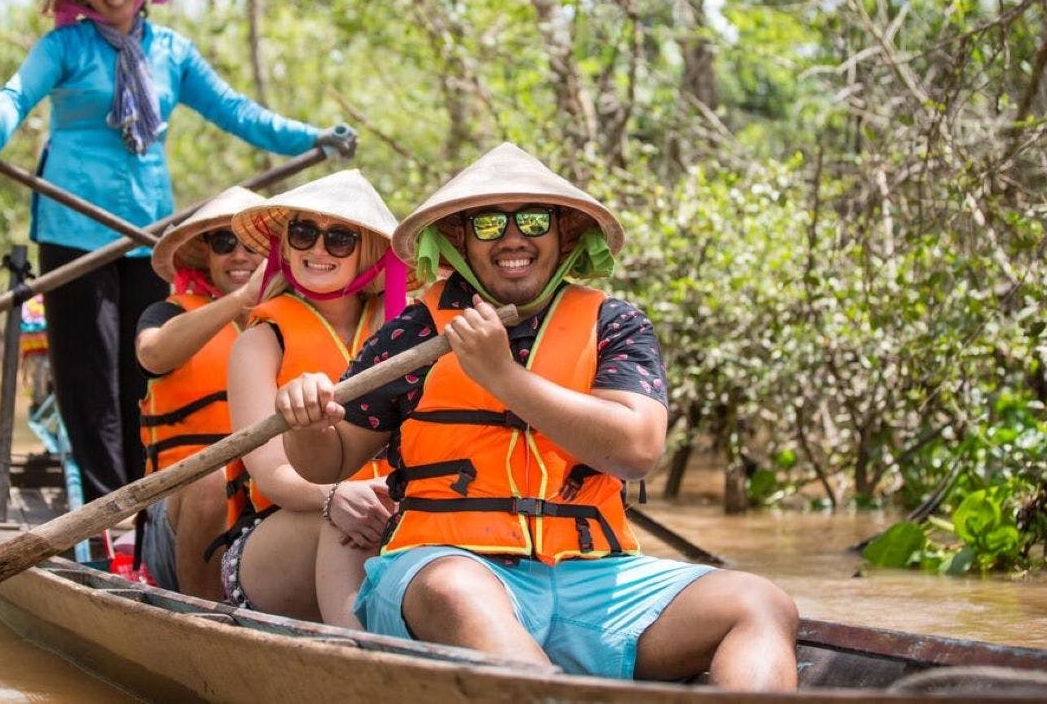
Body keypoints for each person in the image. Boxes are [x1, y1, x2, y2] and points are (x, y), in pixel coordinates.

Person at [276, 143, 800, 690]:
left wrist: (502, 376)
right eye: (487, 224)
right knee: (457, 590)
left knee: (761, 602)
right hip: (444, 567)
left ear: (565, 234)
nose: (512, 239)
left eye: (532, 220)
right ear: (458, 239)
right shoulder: (415, 332)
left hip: (594, 577)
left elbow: (637, 450)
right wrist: (307, 424)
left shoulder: (615, 324)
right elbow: (328, 463)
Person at [0, 0, 355, 502]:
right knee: (88, 374)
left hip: (146, 230)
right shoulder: (64, 47)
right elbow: (17, 94)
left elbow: (238, 112)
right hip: (73, 226)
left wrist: (312, 137)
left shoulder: (172, 52)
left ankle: (147, 503)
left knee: (140, 372)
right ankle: (104, 508)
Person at [221, 169, 408, 627]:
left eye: (340, 239)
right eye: (304, 233)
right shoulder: (260, 341)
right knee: (344, 524)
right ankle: (357, 656)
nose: (319, 250)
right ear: (286, 246)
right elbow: (270, 474)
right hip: (284, 530)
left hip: (397, 515)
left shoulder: (407, 328)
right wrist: (333, 496)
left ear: (369, 251)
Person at [133, 185, 267, 598]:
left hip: (266, 506)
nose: (239, 255)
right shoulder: (167, 313)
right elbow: (152, 353)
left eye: (252, 244)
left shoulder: (294, 319)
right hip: (177, 516)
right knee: (210, 477)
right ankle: (204, 615)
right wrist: (242, 299)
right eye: (225, 243)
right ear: (206, 254)